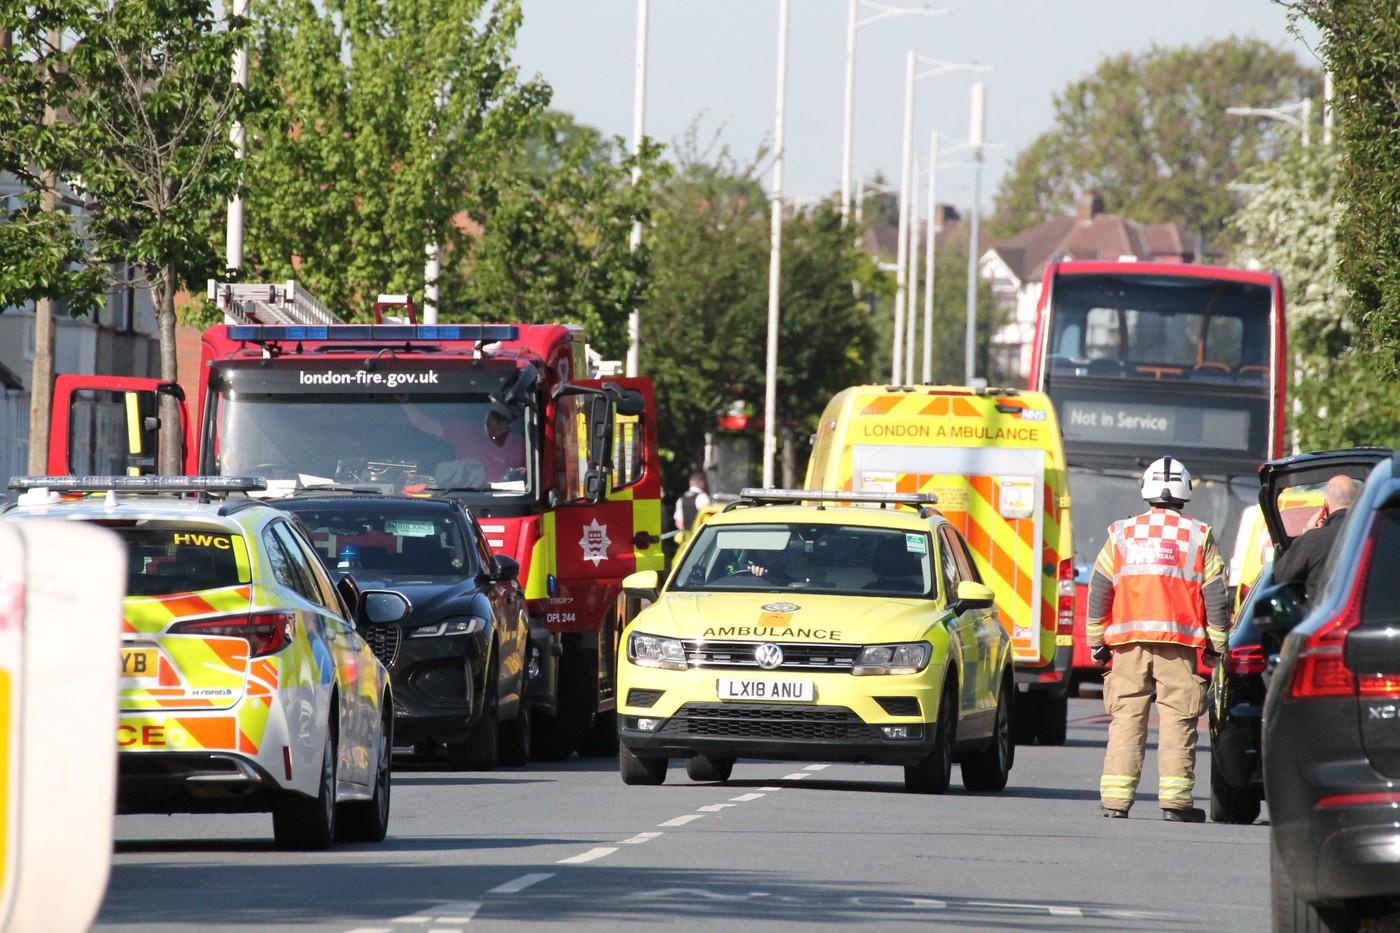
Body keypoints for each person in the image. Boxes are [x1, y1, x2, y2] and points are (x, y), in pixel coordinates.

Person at [1086, 456, 1229, 823]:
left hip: (1128, 645)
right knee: (1178, 721)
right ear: (1185, 492)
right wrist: (1218, 645)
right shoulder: (1198, 536)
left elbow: (1100, 588)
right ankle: (1176, 803)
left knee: (1126, 720)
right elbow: (1215, 595)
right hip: (1178, 648)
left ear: (1146, 490)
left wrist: (1095, 639)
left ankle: (1115, 802)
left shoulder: (1122, 533)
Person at [1273, 474, 1362, 603]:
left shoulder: (1312, 540)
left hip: (1321, 619)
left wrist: (1308, 535)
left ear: (1325, 505)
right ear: (1358, 502)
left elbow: (1281, 578)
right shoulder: (1375, 536)